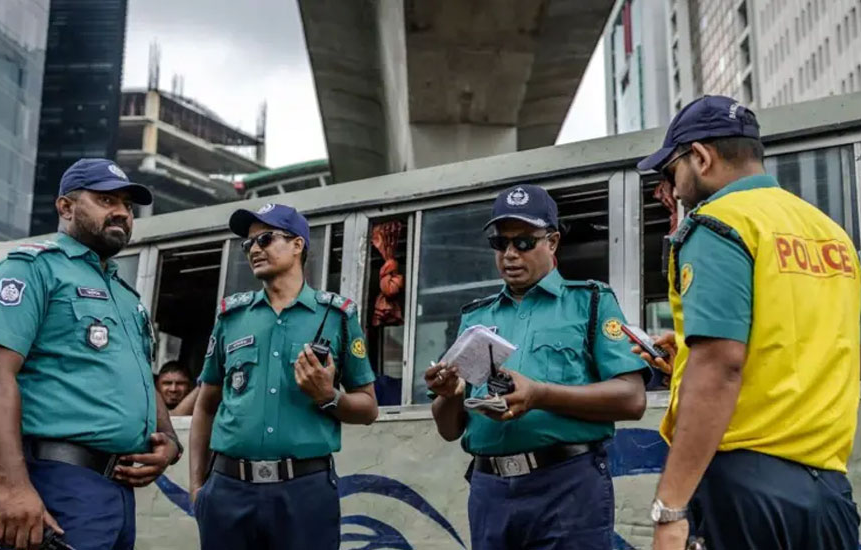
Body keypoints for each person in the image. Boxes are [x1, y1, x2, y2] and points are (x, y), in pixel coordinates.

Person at [636, 95, 861, 550]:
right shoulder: (831, 235)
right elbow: (804, 344)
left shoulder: (719, 223)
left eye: (671, 172)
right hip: (829, 494)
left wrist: (671, 509)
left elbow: (719, 366)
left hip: (746, 491)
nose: (673, 190)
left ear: (700, 157)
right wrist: (686, 360)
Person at [0, 158, 182, 550]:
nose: (121, 211)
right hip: (52, 482)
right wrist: (13, 487)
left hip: (116, 491)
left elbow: (141, 377)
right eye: (105, 199)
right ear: (65, 208)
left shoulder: (125, 295)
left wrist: (169, 442)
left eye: (127, 205)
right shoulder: (31, 269)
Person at [426, 184, 649, 550]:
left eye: (525, 242)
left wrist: (540, 395)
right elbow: (450, 429)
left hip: (568, 487)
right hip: (490, 490)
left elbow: (632, 398)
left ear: (553, 242)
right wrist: (448, 396)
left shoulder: (589, 302)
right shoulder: (476, 319)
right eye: (500, 244)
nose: (510, 254)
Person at [189, 203, 379, 550]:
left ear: (298, 245)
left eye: (265, 238)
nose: (255, 249)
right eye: (249, 244)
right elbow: (205, 406)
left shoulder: (336, 315)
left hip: (304, 492)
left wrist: (329, 396)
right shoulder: (232, 316)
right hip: (228, 490)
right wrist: (198, 488)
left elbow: (368, 408)